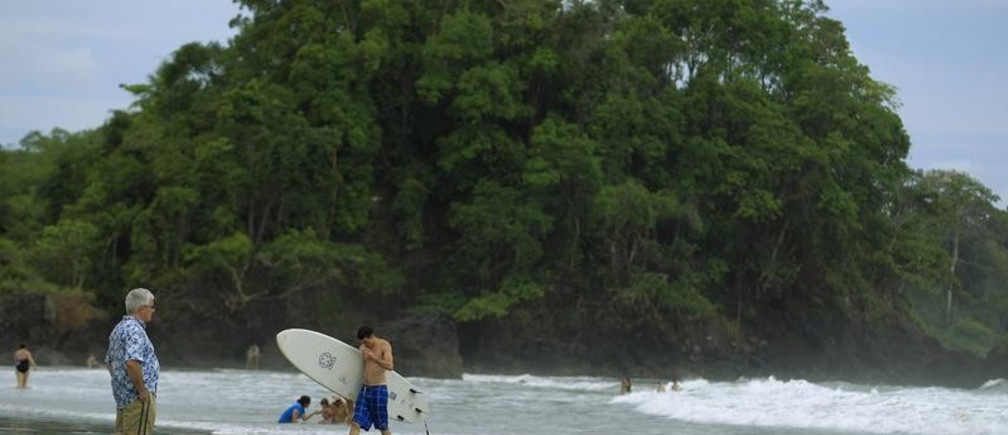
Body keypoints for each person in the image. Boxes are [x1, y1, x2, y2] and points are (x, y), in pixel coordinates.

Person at [105, 288, 160, 435]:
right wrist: (141, 390)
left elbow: (109, 363)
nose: (153, 310)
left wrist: (122, 384)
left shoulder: (119, 329)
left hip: (123, 398)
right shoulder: (135, 330)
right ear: (142, 309)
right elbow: (131, 362)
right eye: (151, 306)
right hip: (137, 398)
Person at [349, 325, 394, 435]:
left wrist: (374, 358)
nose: (365, 344)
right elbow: (356, 369)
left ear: (372, 336)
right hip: (364, 389)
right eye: (363, 342)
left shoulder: (384, 345)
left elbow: (390, 366)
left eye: (366, 341)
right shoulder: (363, 348)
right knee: (355, 423)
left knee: (383, 427)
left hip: (379, 389)